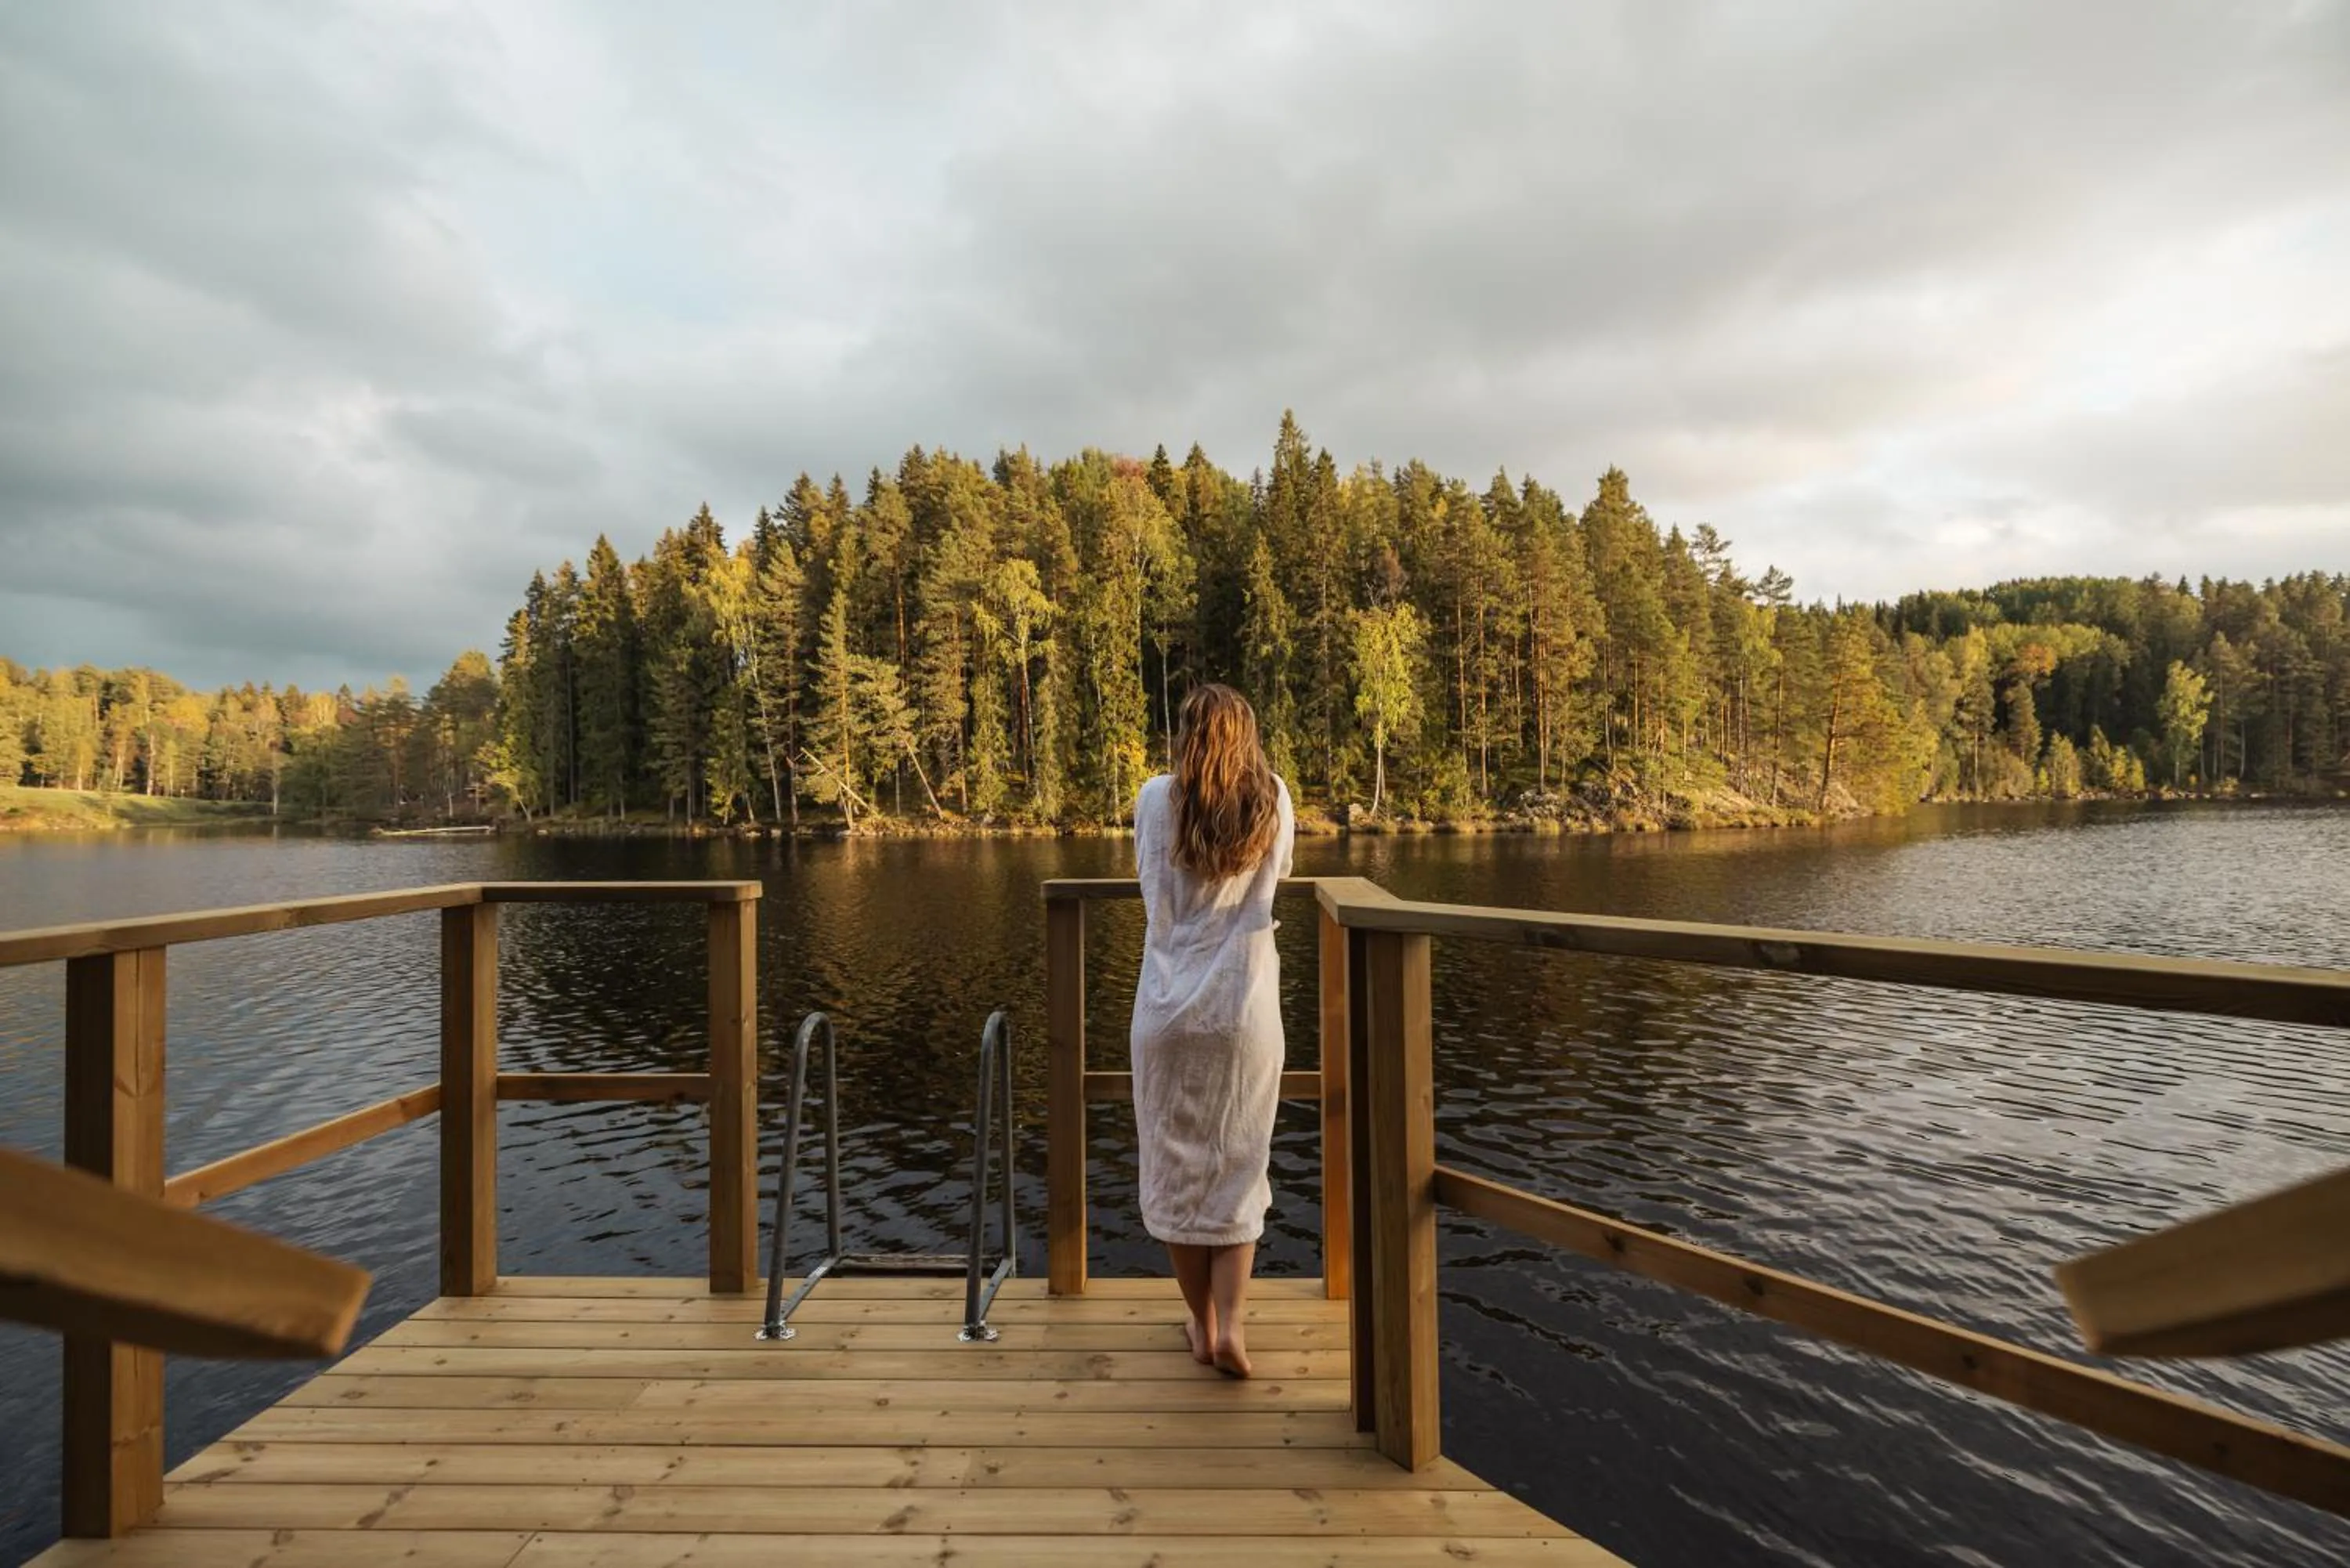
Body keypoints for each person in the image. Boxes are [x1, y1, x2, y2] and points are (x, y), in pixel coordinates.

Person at [1129, 683, 1296, 1378]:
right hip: (1244, 1010)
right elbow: (1282, 872)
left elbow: (1144, 873)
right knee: (1238, 1165)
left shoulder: (1153, 799)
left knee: (1173, 1167)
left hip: (1167, 1012)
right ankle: (1234, 1326)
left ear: (1186, 735)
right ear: (1247, 736)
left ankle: (1198, 1324)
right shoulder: (1274, 797)